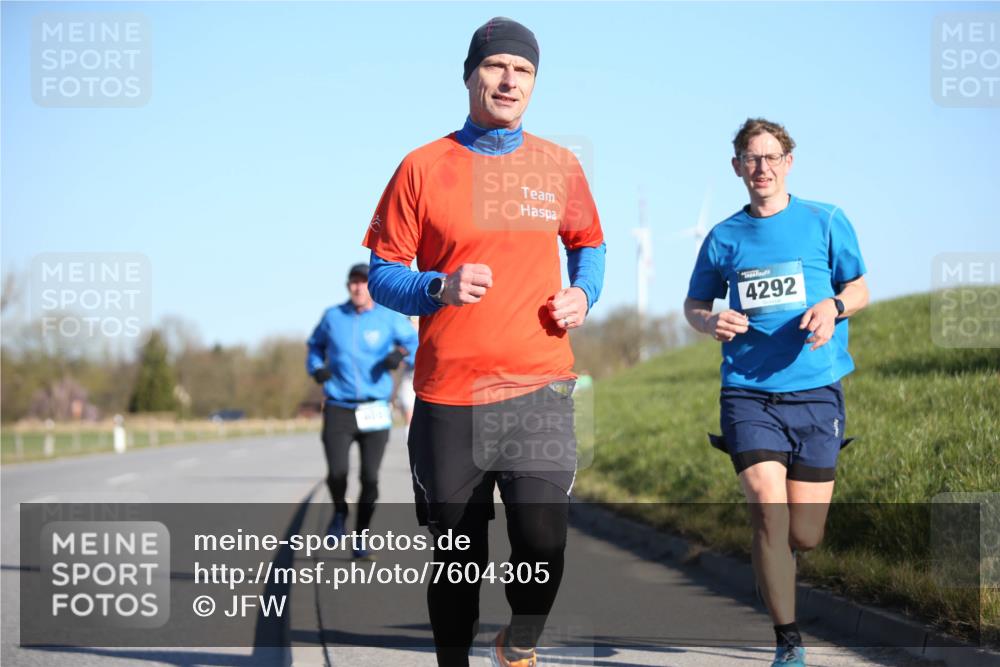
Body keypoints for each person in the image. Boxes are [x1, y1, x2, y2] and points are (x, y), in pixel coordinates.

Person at [361, 17, 606, 667]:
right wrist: (437, 287)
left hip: (539, 388)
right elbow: (383, 272)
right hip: (451, 397)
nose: (509, 80)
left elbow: (590, 244)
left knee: (543, 542)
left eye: (523, 70)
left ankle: (518, 641)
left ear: (534, 83)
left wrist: (585, 293)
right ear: (470, 75)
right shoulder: (422, 167)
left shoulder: (560, 164)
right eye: (496, 66)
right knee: (457, 559)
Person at [684, 118, 869, 667]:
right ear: (736, 167)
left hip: (815, 392)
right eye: (751, 158)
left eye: (770, 157)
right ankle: (788, 642)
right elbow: (694, 304)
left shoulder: (825, 220)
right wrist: (709, 321)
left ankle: (778, 557)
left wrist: (833, 307)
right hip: (748, 393)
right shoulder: (724, 237)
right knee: (769, 510)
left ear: (788, 162)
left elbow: (859, 287)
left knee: (804, 535)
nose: (761, 167)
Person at [306, 263, 418, 559]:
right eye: (353, 282)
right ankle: (339, 513)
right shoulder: (333, 317)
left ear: (372, 287)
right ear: (348, 287)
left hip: (375, 409)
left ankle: (361, 536)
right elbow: (314, 347)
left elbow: (414, 343)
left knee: (370, 478)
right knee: (337, 472)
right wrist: (316, 368)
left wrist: (400, 354)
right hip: (339, 407)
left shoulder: (388, 317)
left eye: (364, 282)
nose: (358, 287)